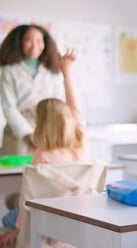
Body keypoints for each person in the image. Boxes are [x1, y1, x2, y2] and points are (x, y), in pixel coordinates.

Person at [0, 49, 84, 248]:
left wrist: (17, 230)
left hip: (45, 220)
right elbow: (77, 110)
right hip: (75, 219)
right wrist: (67, 72)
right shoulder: (80, 149)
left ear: (40, 125)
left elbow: (27, 204)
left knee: (6, 220)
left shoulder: (41, 157)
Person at [0, 24, 65, 156]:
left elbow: (59, 100)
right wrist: (29, 134)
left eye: (39, 40)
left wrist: (53, 128)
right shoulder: (9, 71)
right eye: (28, 40)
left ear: (45, 44)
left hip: (48, 125)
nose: (34, 45)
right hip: (19, 129)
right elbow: (8, 107)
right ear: (19, 43)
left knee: (46, 168)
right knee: (17, 171)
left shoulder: (53, 71)